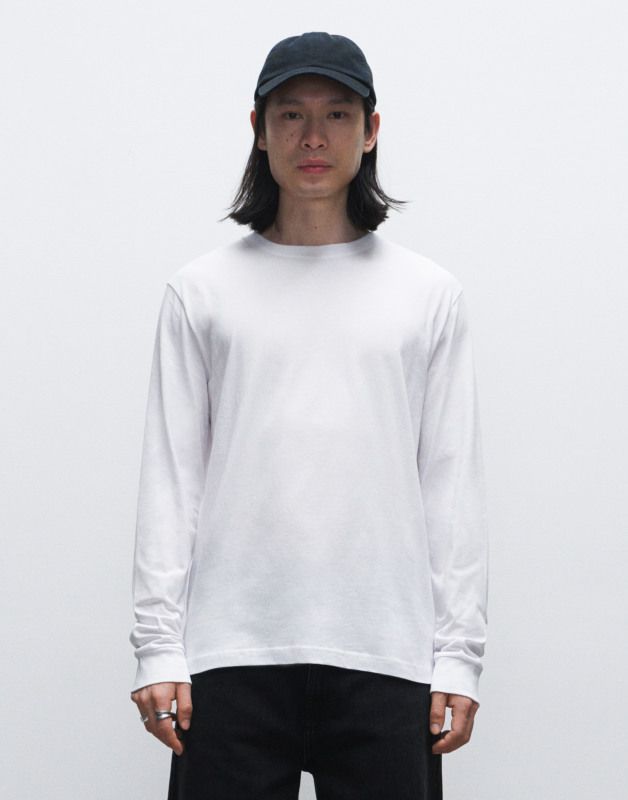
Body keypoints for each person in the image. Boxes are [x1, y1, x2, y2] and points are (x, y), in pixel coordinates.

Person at [129, 31, 489, 800]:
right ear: (259, 131)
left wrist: (458, 657)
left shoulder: (427, 295)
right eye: (291, 115)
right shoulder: (202, 292)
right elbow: (172, 478)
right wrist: (157, 646)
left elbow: (450, 484)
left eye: (337, 114)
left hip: (386, 654)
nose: (314, 136)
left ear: (371, 129)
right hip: (229, 655)